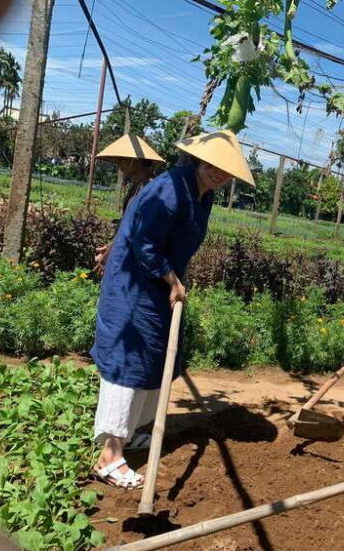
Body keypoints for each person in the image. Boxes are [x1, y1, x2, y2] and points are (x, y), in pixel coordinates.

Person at [91, 130, 254, 488]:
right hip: (134, 284)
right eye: (212, 166)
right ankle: (109, 457)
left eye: (226, 171)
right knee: (129, 362)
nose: (218, 174)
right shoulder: (171, 188)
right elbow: (145, 243)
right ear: (199, 160)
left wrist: (172, 280)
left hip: (160, 287)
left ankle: (132, 433)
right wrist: (172, 279)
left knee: (154, 359)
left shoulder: (205, 195)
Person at [94, 133, 165, 274]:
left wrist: (108, 255)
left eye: (123, 159)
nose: (119, 164)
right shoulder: (139, 185)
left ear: (136, 161)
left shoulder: (148, 188)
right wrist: (111, 247)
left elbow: (134, 229)